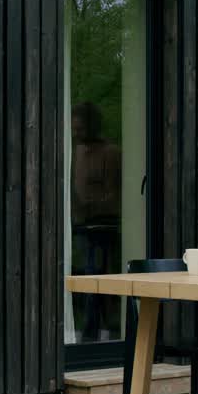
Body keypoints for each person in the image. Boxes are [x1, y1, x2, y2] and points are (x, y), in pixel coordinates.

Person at [70, 101, 122, 341]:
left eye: (80, 129)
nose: (76, 134)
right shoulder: (77, 153)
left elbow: (114, 196)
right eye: (74, 129)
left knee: (99, 281)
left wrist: (89, 205)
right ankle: (91, 331)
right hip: (81, 226)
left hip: (104, 227)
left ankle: (101, 333)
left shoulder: (110, 154)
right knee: (86, 280)